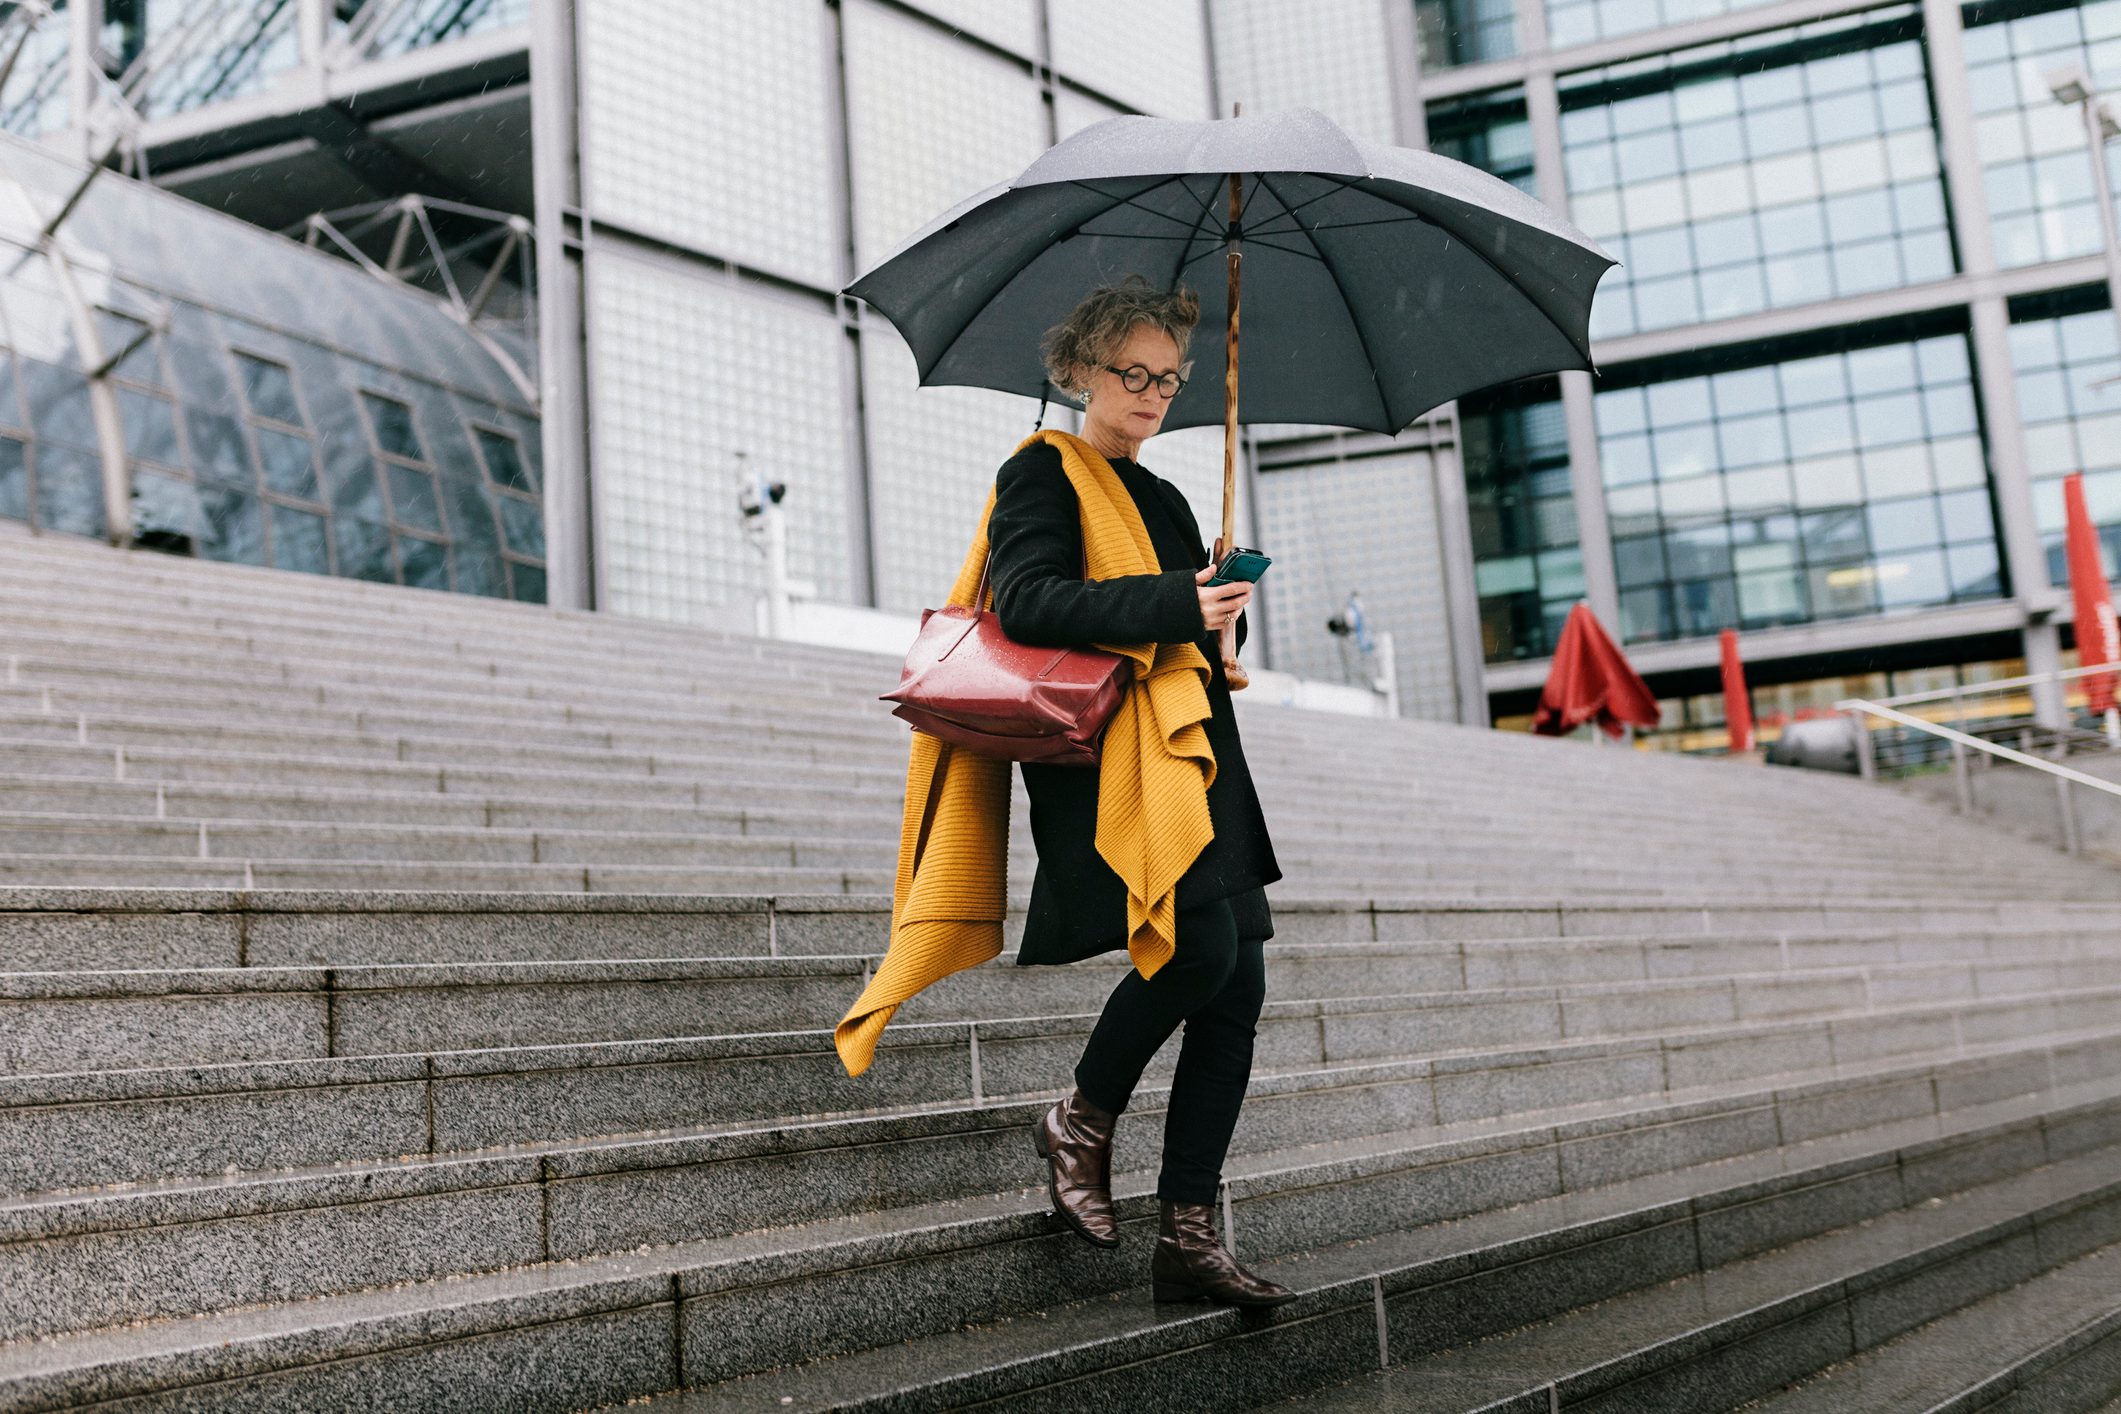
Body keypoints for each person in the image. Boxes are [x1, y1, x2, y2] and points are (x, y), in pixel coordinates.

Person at [984, 274, 1293, 1308]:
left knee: (1237, 982)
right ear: (1078, 368)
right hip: (1109, 759)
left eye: (1169, 378)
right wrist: (1174, 598)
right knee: (1200, 949)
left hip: (1194, 751)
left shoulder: (1164, 497)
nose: (1155, 392)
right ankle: (1080, 1116)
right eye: (1134, 373)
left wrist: (1218, 611)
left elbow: (1177, 629)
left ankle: (1190, 1232)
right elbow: (1027, 600)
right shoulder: (1041, 474)